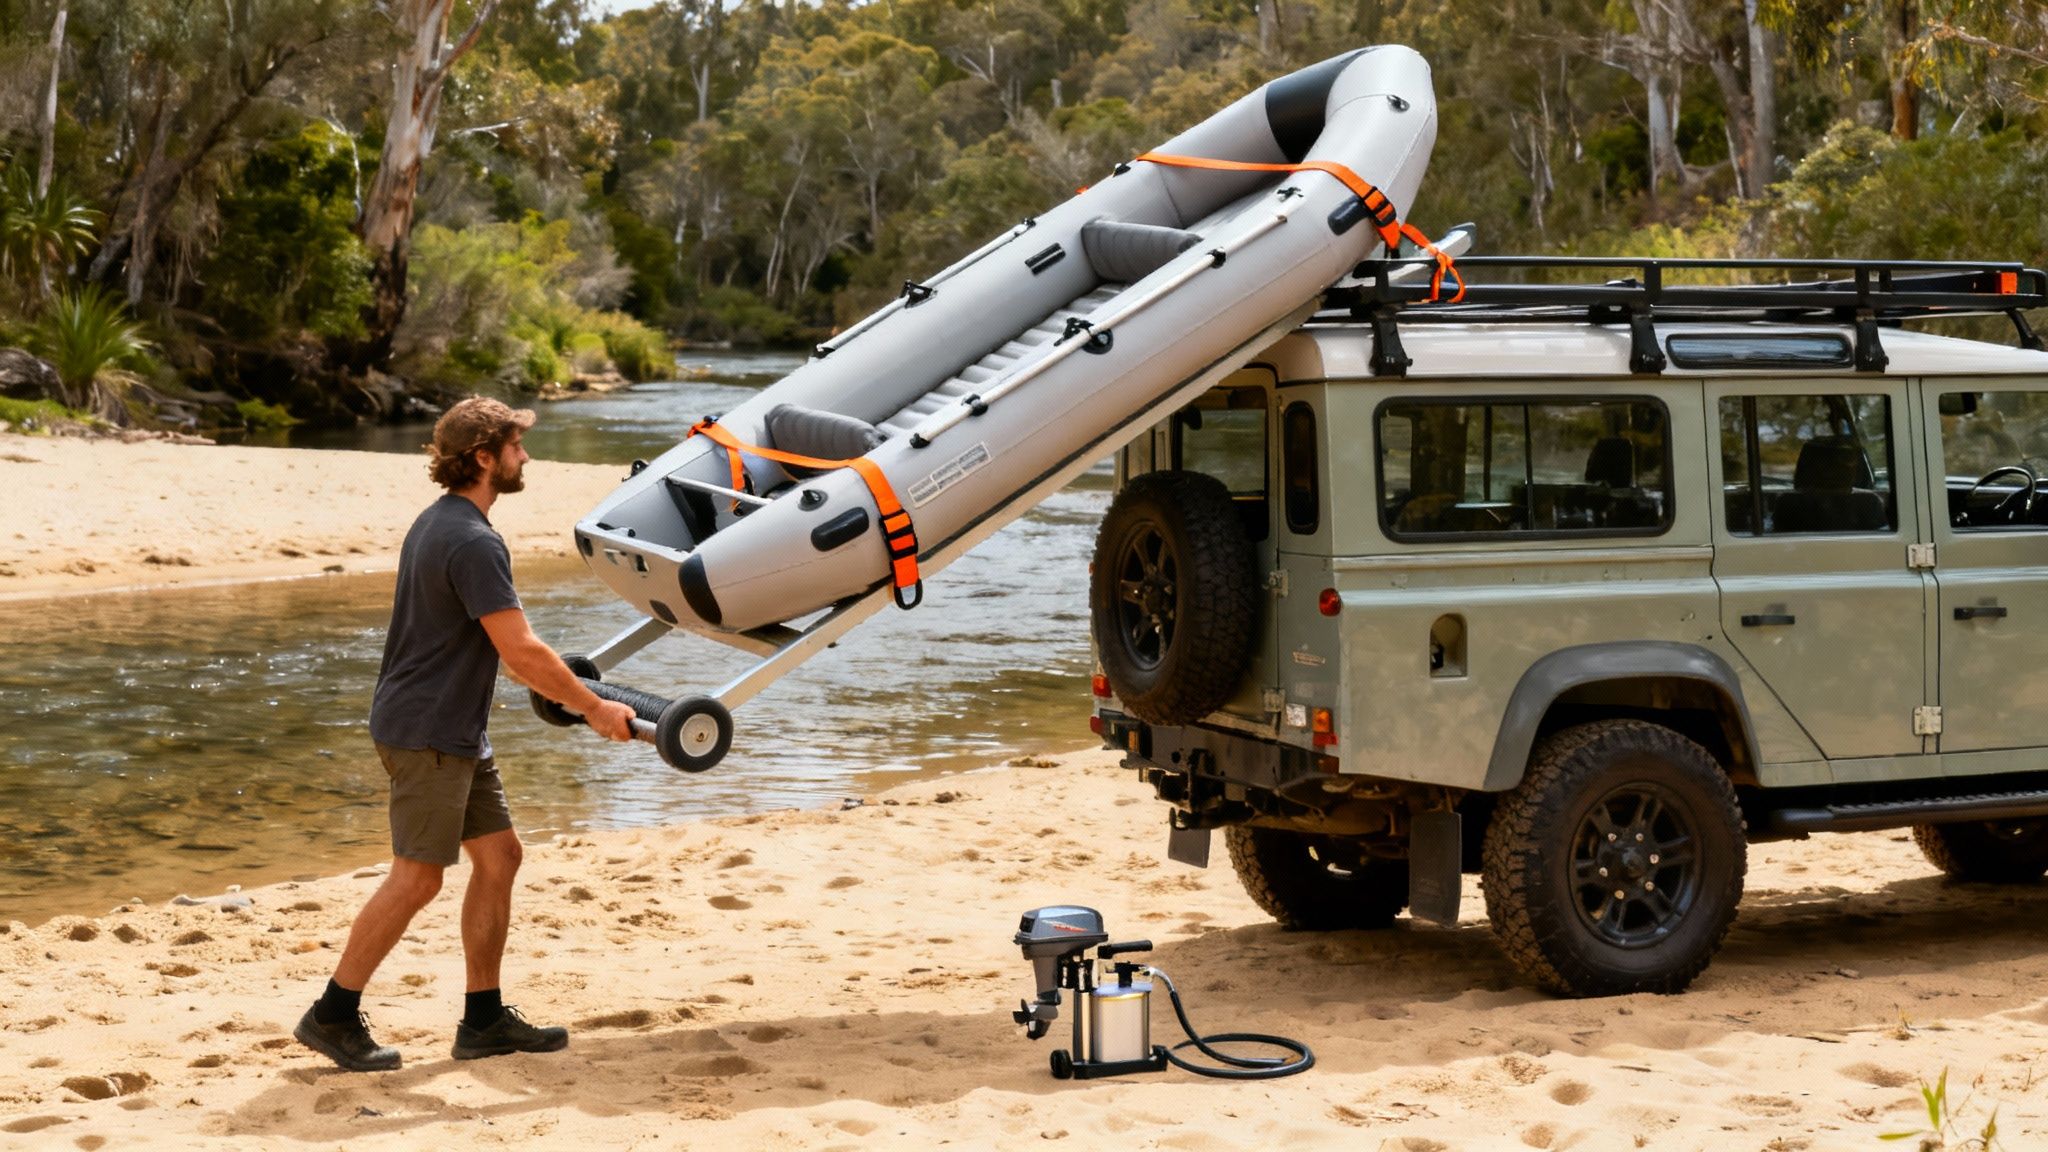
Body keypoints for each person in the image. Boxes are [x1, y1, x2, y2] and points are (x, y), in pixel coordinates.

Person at [293, 396, 638, 1072]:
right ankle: (332, 1013)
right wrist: (594, 708)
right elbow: (521, 653)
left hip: (448, 729)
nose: (525, 456)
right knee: (418, 879)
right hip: (427, 733)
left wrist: (570, 695)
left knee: (500, 857)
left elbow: (506, 652)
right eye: (515, 445)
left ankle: (482, 1019)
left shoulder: (440, 522)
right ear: (484, 457)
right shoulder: (473, 540)